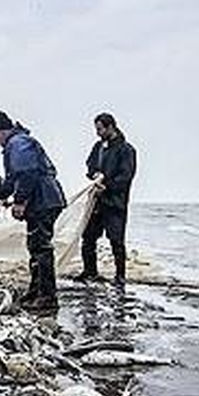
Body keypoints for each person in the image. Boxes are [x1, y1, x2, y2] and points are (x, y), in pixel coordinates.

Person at [0, 112, 67, 311]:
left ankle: (47, 297)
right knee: (35, 246)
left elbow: (27, 173)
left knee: (41, 248)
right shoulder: (17, 144)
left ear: (2, 132)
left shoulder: (18, 143)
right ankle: (35, 291)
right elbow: (12, 181)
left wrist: (20, 201)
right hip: (43, 199)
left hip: (43, 200)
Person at [76, 113, 138, 286]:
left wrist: (108, 186)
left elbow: (126, 176)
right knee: (88, 237)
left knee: (116, 240)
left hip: (115, 203)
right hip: (96, 201)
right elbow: (89, 165)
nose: (97, 133)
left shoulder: (127, 150)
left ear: (111, 127)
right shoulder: (98, 147)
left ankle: (120, 276)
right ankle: (90, 272)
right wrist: (94, 174)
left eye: (100, 129)